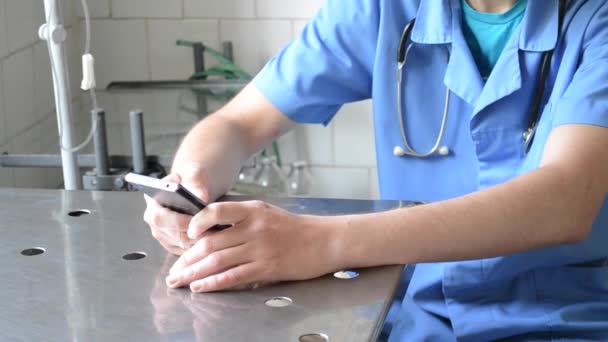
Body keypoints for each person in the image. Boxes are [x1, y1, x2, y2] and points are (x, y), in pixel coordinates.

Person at [142, 0, 608, 340]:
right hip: (415, 318)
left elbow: (565, 200)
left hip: (562, 317)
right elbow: (238, 122)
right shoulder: (382, 9)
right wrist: (188, 185)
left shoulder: (595, 20)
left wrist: (321, 241)